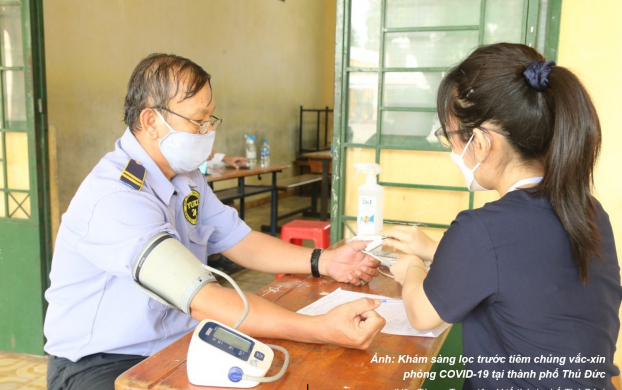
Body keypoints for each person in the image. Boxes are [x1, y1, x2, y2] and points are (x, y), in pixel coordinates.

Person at [44, 53, 385, 390]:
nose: (207, 131)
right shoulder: (116, 197)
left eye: (210, 118)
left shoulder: (186, 176)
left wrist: (324, 260)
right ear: (150, 121)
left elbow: (238, 239)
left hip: (177, 342)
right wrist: (319, 327)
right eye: (197, 120)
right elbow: (203, 297)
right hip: (102, 363)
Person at [383, 43, 620, 390]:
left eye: (449, 136)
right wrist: (437, 250)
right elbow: (525, 273)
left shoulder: (482, 229)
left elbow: (421, 313)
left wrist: (412, 268)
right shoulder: (589, 211)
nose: (449, 149)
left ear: (480, 142)